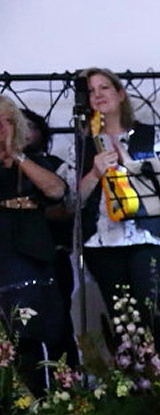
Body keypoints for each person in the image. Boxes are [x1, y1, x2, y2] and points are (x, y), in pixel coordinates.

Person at [78, 68, 160, 354]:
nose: (97, 95)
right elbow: (72, 200)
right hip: (104, 242)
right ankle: (133, 392)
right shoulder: (82, 145)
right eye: (92, 91)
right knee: (123, 325)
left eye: (104, 88)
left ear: (120, 94)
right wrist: (94, 174)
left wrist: (131, 163)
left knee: (155, 318)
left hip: (149, 237)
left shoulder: (151, 135)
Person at [0, 96, 76, 391]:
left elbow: (57, 191)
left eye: (7, 121)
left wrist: (17, 157)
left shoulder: (36, 162)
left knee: (55, 334)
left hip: (37, 261)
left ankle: (66, 404)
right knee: (19, 345)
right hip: (5, 262)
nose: (2, 128)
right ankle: (29, 408)